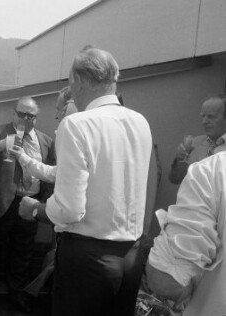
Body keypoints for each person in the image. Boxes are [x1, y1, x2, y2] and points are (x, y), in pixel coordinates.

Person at [19, 47, 152, 315]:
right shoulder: (140, 122)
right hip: (132, 256)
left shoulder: (77, 125)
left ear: (78, 82)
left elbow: (69, 209)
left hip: (87, 259)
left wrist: (36, 209)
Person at [0, 96, 55, 314]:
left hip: (29, 204)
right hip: (0, 203)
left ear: (36, 117)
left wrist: (43, 202)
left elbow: (52, 172)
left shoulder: (45, 141)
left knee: (23, 254)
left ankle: (17, 295)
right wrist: (3, 144)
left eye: (31, 115)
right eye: (22, 113)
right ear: (13, 112)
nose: (26, 119)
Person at [146, 151, 226, 315]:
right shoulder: (195, 145)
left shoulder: (213, 169)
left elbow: (166, 280)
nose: (206, 122)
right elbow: (174, 177)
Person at [169, 95, 226, 184]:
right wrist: (180, 160)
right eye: (203, 116)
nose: (204, 121)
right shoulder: (195, 144)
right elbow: (176, 179)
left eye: (210, 116)